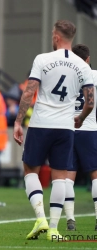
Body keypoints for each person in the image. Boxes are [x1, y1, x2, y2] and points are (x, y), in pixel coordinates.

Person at [13, 20, 94, 241]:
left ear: (56, 37)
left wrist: (18, 121)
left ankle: (40, 218)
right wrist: (80, 118)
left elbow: (29, 92)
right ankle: (54, 229)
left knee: (30, 170)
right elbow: (90, 101)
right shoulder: (83, 66)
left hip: (41, 123)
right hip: (66, 126)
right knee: (60, 177)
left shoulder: (42, 59)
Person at [63, 44, 97, 231]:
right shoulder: (94, 75)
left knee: (68, 176)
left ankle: (70, 220)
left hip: (68, 129)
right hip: (89, 128)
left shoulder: (66, 77)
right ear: (88, 59)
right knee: (95, 175)